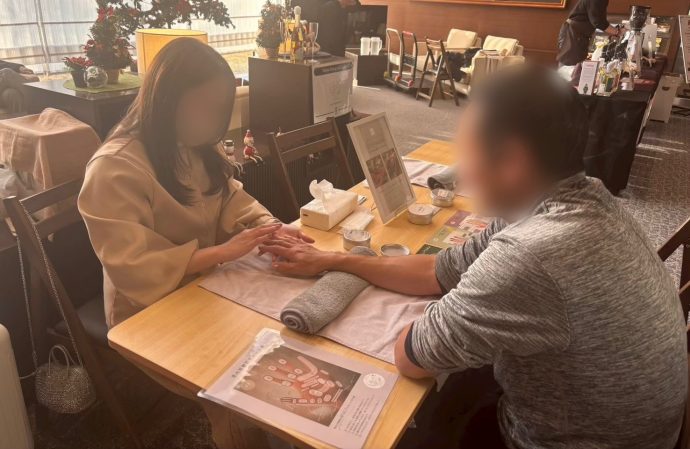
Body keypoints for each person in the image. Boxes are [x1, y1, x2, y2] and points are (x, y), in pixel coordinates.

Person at [258, 65, 688, 448]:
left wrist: (452, 310)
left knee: (397, 420)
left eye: (468, 152)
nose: (461, 170)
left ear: (513, 161)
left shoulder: (529, 255)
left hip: (555, 438)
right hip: (619, 422)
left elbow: (411, 355)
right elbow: (438, 270)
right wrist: (335, 260)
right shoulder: (577, 198)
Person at [78, 38, 313, 328]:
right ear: (166, 100)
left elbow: (233, 199)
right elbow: (134, 267)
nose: (212, 121)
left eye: (219, 109)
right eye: (203, 106)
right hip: (147, 311)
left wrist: (270, 229)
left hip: (206, 283)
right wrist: (222, 252)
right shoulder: (114, 168)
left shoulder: (199, 145)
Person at [557, 0, 623, 66]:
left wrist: (615, 31)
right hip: (573, 34)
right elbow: (598, 21)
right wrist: (617, 32)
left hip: (578, 34)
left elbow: (599, 19)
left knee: (577, 66)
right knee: (569, 65)